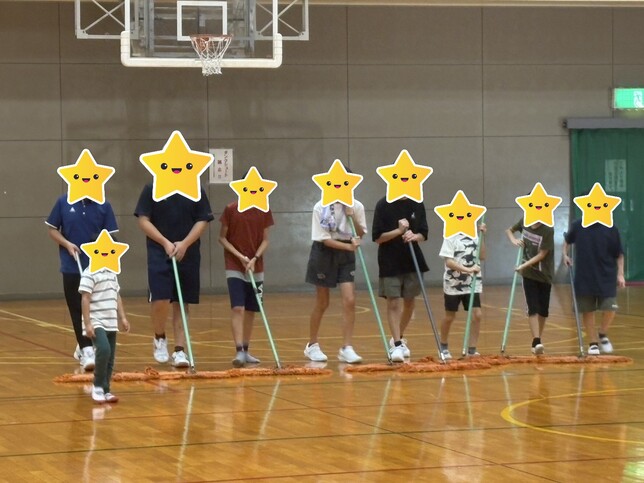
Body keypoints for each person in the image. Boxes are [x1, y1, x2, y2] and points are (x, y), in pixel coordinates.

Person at [134, 184, 214, 367]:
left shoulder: (195, 188)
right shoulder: (152, 187)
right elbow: (143, 220)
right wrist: (164, 242)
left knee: (182, 301)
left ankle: (180, 350)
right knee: (161, 298)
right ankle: (159, 337)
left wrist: (185, 243)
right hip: (159, 250)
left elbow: (203, 219)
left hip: (187, 251)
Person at [46, 196, 118, 371]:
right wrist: (66, 244)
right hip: (72, 265)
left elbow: (110, 236)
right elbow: (52, 229)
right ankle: (86, 350)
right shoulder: (64, 202)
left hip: (98, 266)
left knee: (96, 308)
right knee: (77, 308)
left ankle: (83, 344)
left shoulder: (104, 204)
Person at [304, 200, 367, 364]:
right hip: (324, 252)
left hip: (346, 255)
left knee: (350, 300)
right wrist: (348, 248)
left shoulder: (357, 206)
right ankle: (312, 345)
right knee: (322, 302)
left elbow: (361, 233)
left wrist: (352, 216)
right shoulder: (320, 207)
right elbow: (324, 239)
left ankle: (347, 348)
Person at [372, 197, 429, 362]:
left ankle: (398, 337)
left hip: (412, 260)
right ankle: (397, 345)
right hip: (389, 261)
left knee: (410, 302)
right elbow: (377, 237)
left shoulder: (417, 203)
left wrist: (415, 236)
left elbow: (424, 233)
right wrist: (398, 231)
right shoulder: (382, 204)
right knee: (393, 302)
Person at [218, 201, 274, 367]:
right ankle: (239, 350)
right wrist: (240, 257)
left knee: (251, 309)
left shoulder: (264, 209)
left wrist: (255, 258)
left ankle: (246, 349)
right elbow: (222, 238)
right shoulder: (230, 209)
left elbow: (265, 240)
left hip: (256, 266)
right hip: (234, 264)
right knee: (238, 307)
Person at [563, 220, 625, 355]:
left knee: (610, 308)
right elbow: (567, 240)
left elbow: (619, 253)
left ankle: (602, 333)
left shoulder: (611, 227)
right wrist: (565, 255)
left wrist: (620, 274)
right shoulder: (578, 225)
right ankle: (593, 343)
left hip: (607, 275)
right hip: (584, 276)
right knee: (588, 310)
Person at [80, 266, 130, 403]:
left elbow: (117, 296)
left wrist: (123, 318)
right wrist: (87, 323)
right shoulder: (89, 273)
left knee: (110, 357)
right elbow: (85, 298)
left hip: (111, 321)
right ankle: (97, 386)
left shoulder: (112, 273)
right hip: (96, 321)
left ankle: (106, 389)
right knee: (104, 349)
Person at [506, 220, 555, 354]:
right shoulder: (525, 220)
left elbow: (542, 254)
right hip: (528, 274)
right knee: (533, 307)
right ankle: (536, 340)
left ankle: (538, 339)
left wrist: (523, 265)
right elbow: (509, 230)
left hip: (544, 274)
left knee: (543, 311)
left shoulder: (548, 230)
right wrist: (514, 240)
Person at [438, 224, 486, 360]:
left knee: (477, 315)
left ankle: (472, 349)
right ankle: (443, 346)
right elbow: (449, 262)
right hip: (453, 284)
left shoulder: (475, 236)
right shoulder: (450, 236)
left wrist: (482, 236)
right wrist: (468, 270)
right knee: (450, 316)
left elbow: (482, 256)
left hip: (472, 284)